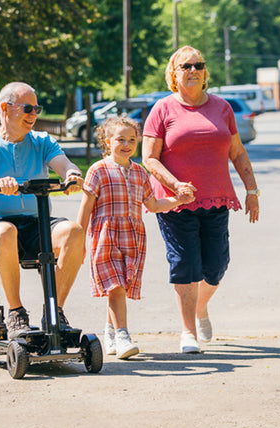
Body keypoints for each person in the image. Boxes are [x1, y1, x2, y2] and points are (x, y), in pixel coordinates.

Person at [142, 45, 260, 353]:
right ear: (174, 73)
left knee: (216, 265)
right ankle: (188, 332)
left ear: (205, 72)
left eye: (198, 65)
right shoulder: (162, 109)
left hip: (217, 199)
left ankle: (200, 307)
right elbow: (149, 159)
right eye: (186, 66)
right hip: (175, 204)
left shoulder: (222, 107)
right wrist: (175, 184)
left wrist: (251, 190)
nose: (193, 70)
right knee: (185, 265)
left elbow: (237, 152)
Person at [0, 82, 85, 339]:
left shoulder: (42, 141)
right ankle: (16, 312)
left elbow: (64, 165)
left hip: (36, 224)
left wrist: (73, 174)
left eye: (37, 109)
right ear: (5, 109)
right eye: (28, 108)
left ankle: (55, 311)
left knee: (73, 231)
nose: (34, 115)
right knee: (5, 232)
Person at [77, 116, 195, 359]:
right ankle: (122, 336)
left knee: (118, 288)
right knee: (116, 286)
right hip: (105, 238)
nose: (127, 144)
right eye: (120, 139)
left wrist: (178, 199)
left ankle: (109, 332)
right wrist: (78, 243)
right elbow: (85, 209)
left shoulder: (140, 173)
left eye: (132, 139)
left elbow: (152, 204)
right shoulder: (97, 170)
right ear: (107, 142)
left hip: (133, 239)